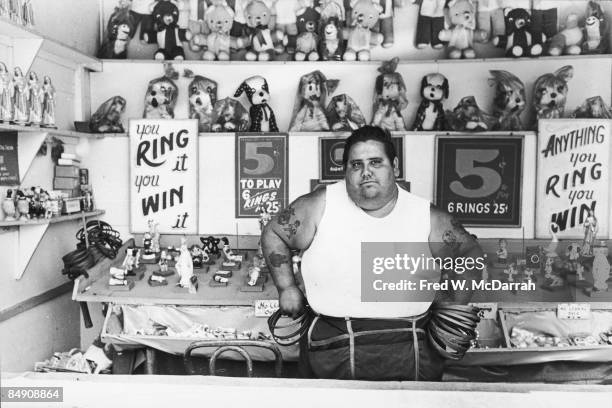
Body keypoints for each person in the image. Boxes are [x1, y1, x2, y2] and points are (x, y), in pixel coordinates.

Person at [262, 126, 483, 381]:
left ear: (395, 167)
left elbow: (469, 252)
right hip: (332, 344)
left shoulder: (425, 215)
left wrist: (453, 301)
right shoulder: (319, 205)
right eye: (356, 165)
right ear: (345, 171)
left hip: (411, 346)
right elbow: (274, 233)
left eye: (376, 162)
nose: (366, 172)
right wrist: (286, 287)